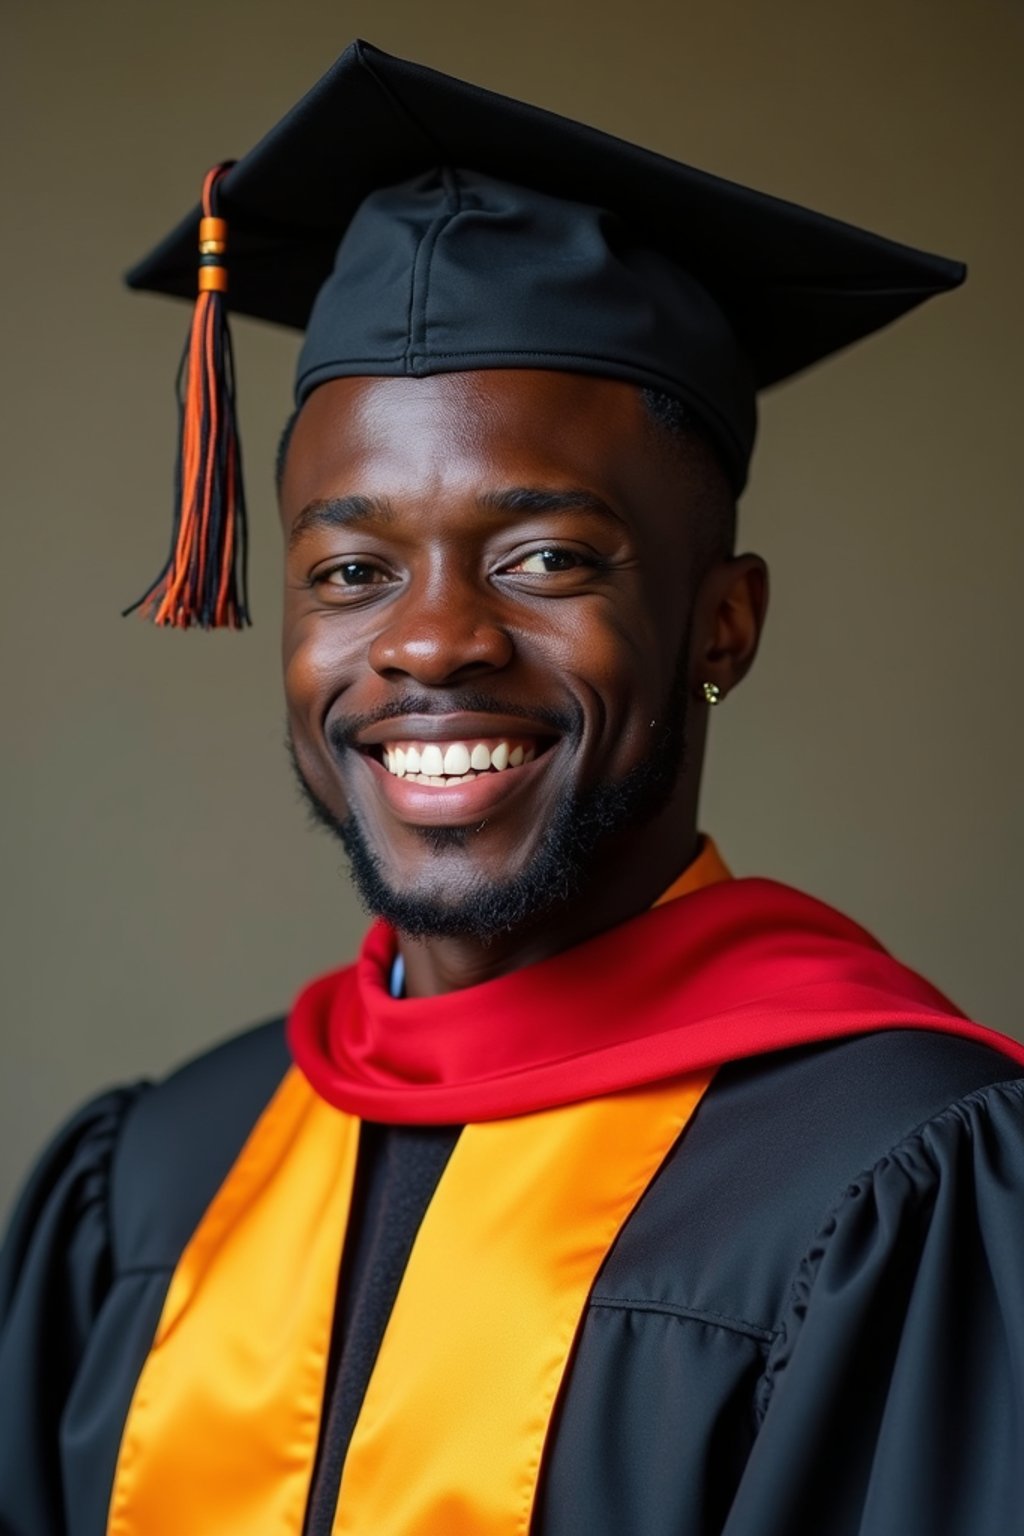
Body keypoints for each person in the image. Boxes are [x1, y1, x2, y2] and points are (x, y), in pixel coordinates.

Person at [2, 38, 1023, 1536]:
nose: (428, 641)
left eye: (545, 559)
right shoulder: (158, 1178)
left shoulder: (895, 1182)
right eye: (350, 571)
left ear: (721, 621)